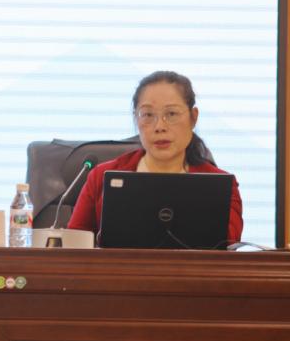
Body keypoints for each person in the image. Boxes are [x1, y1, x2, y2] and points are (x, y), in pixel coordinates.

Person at [67, 70, 243, 244]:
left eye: (171, 114)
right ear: (136, 119)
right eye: (148, 115)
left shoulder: (223, 186)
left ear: (193, 118)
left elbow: (228, 248)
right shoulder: (100, 178)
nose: (159, 127)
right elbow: (72, 248)